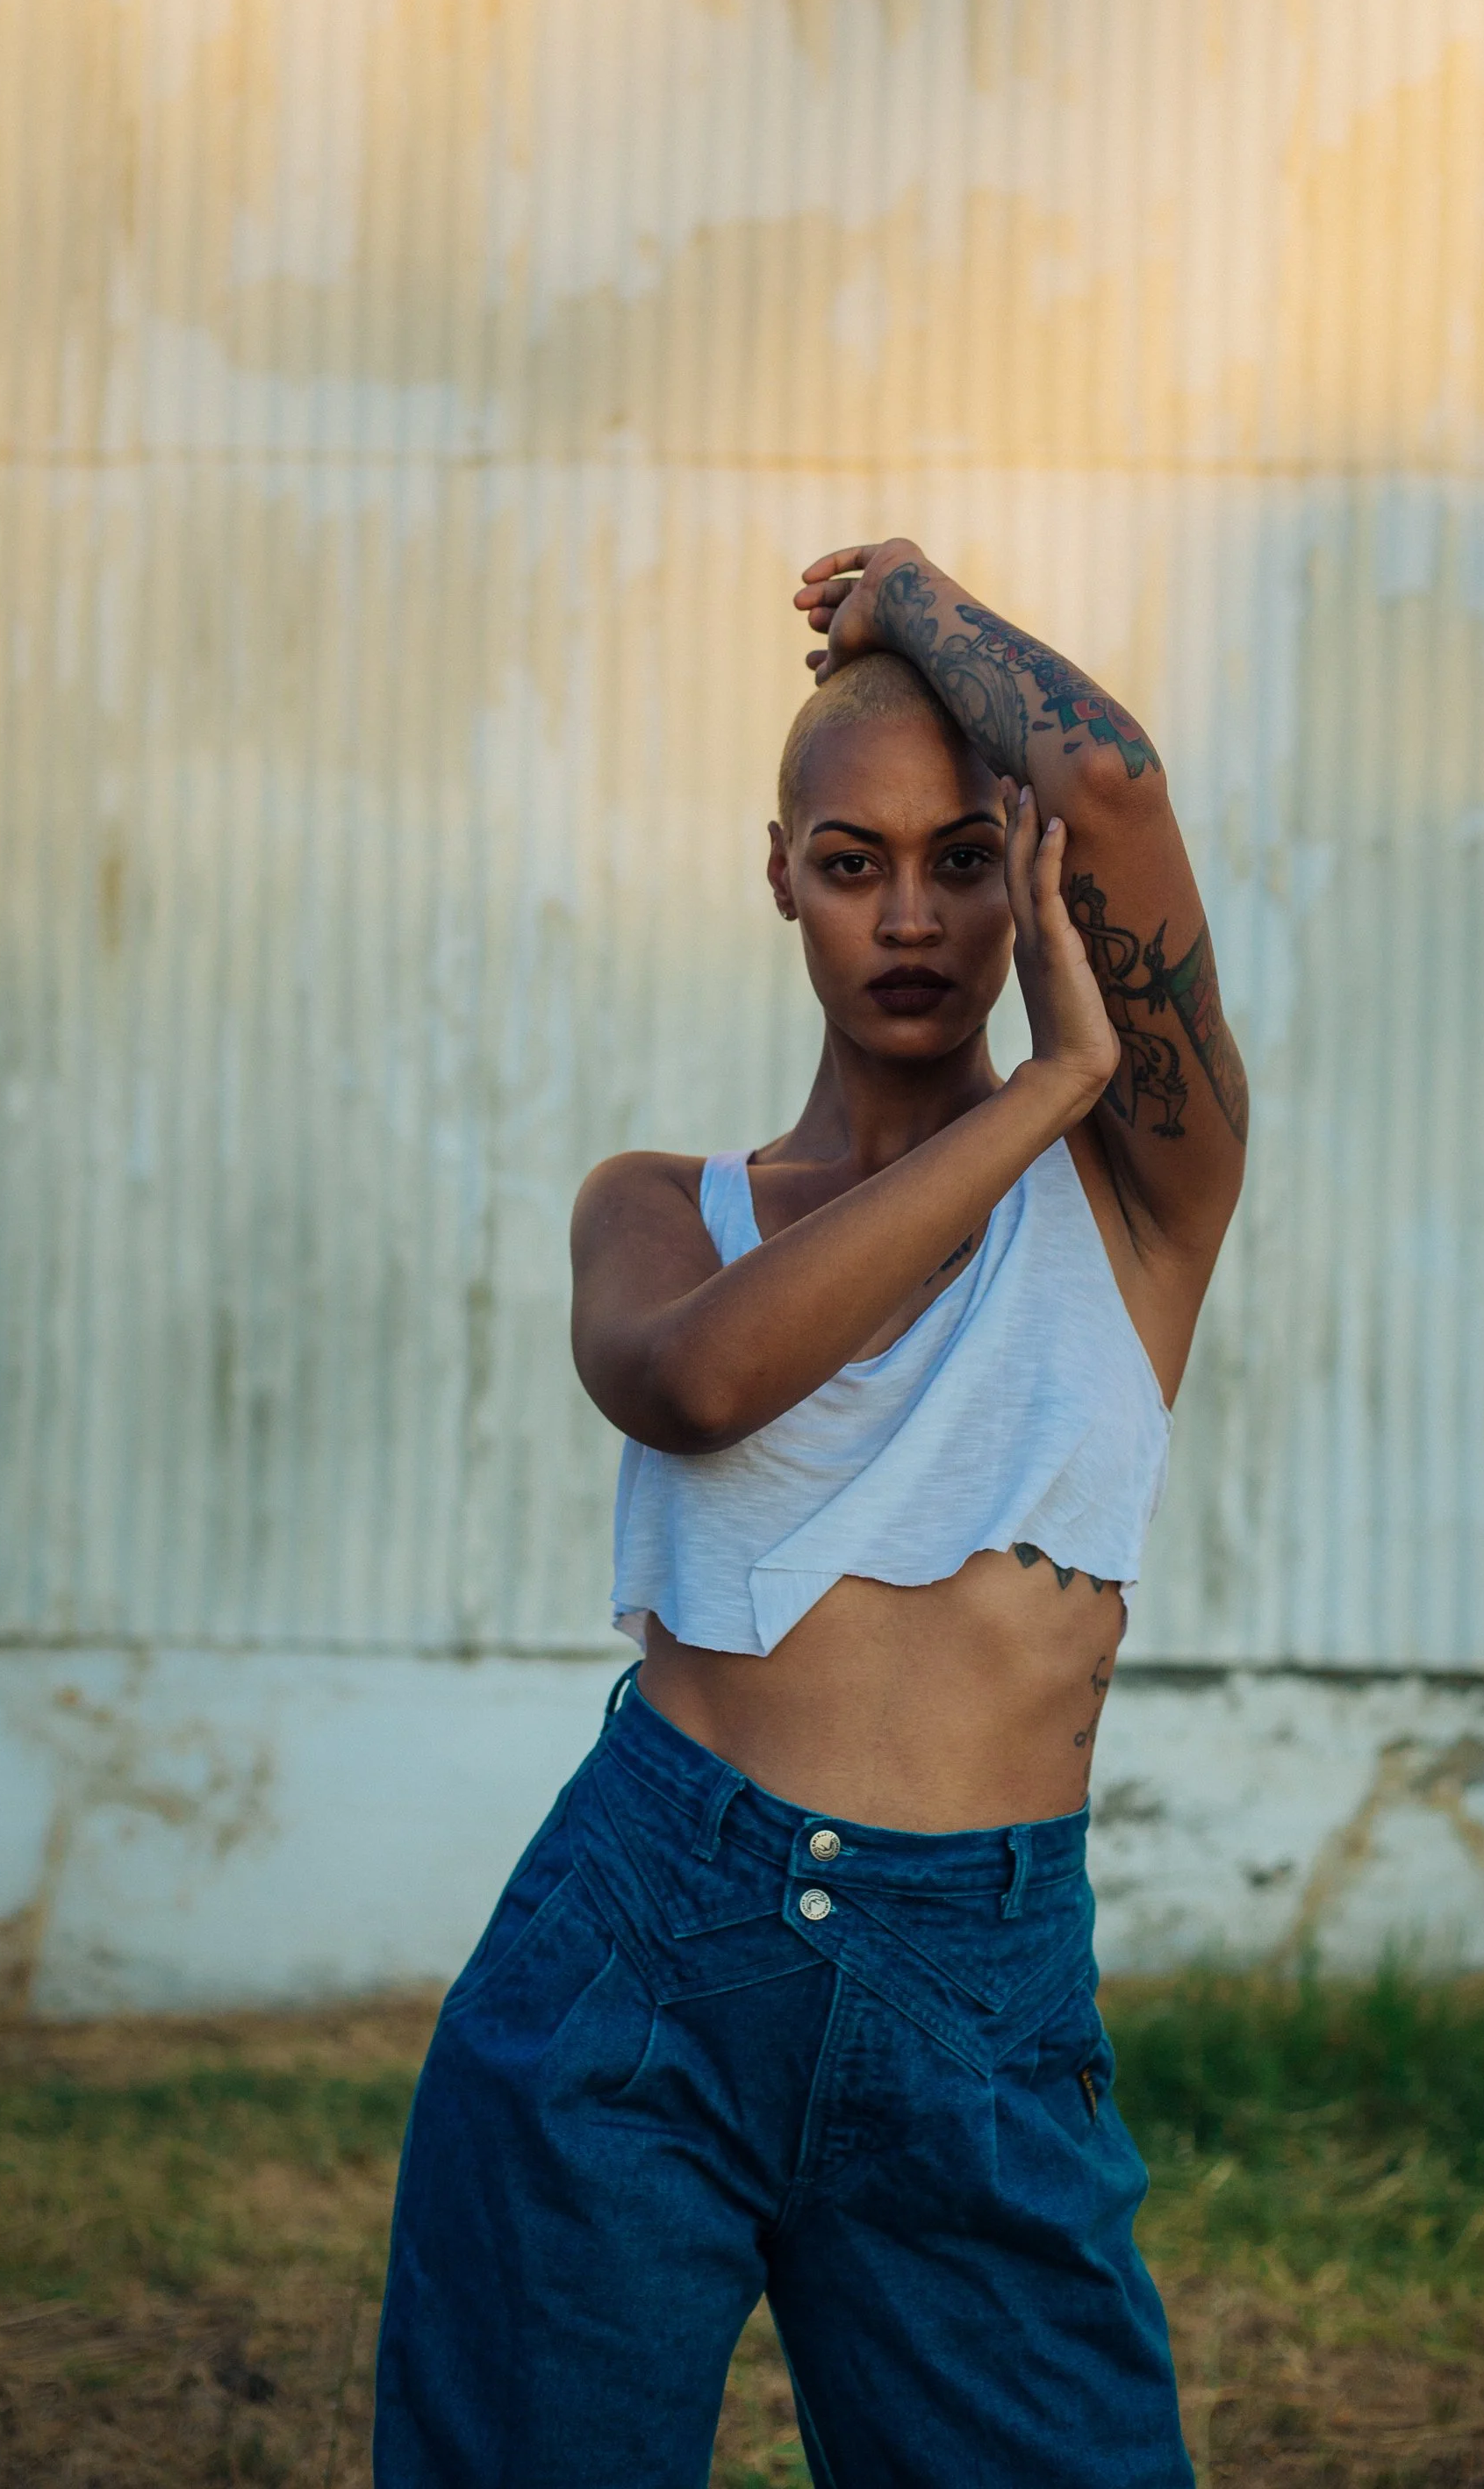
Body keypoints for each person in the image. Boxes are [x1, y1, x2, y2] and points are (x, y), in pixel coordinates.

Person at [373, 538, 1248, 2488]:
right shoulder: (657, 1208)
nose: (913, 917)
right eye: (852, 863)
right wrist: (1051, 1082)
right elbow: (695, 1384)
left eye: (963, 861)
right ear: (779, 875)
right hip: (638, 1942)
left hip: (974, 1985)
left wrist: (916, 596)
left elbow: (1113, 781)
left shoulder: (1141, 1193)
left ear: (1026, 875)